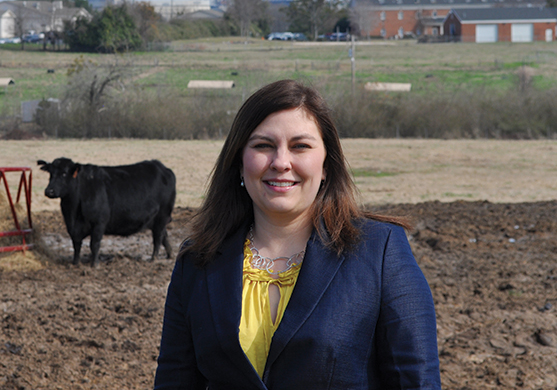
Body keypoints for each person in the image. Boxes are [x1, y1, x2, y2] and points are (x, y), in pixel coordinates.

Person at [154, 79, 441, 390]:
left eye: (300, 146)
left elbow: (417, 382)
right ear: (239, 163)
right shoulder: (197, 261)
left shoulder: (381, 252)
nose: (281, 162)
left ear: (327, 164)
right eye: (263, 146)